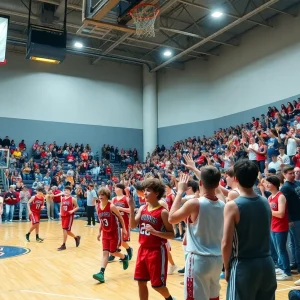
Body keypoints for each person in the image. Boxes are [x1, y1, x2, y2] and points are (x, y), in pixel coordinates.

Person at [222, 159, 276, 300]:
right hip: (267, 264)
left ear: (235, 178)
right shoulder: (265, 201)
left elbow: (226, 243)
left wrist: (227, 268)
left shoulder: (233, 206)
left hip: (244, 265)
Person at [169, 166, 225, 300]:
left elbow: (171, 219)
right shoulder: (224, 204)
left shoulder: (195, 204)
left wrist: (179, 192)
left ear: (200, 183)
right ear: (218, 184)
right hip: (217, 260)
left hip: (199, 259)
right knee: (214, 297)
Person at [128, 178, 175, 300]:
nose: (145, 193)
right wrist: (132, 208)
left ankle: (169, 298)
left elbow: (172, 234)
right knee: (141, 282)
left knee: (157, 286)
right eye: (144, 190)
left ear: (156, 193)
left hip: (157, 251)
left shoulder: (163, 212)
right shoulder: (143, 208)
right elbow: (132, 225)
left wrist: (155, 232)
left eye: (148, 190)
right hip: (142, 249)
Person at [93, 187, 129, 283]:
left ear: (107, 196)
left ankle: (124, 257)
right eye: (99, 195)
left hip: (114, 232)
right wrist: (99, 232)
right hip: (105, 233)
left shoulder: (112, 206)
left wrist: (124, 229)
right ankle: (101, 273)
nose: (100, 197)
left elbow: (121, 218)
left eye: (102, 195)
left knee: (113, 252)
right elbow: (101, 221)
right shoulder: (98, 207)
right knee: (105, 253)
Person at [266, 175, 291, 280]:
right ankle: (281, 268)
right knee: (276, 250)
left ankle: (287, 272)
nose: (266, 185)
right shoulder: (270, 197)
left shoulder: (280, 196)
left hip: (281, 227)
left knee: (281, 250)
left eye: (268, 183)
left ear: (274, 184)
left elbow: (281, 213)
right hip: (273, 226)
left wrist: (269, 211)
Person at [280, 165, 300, 285]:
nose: (293, 175)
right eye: (290, 173)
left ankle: (296, 263)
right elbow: (285, 206)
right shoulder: (285, 188)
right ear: (284, 175)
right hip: (294, 219)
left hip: (298, 217)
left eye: (293, 173)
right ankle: (298, 266)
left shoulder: (296, 184)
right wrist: (289, 219)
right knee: (296, 244)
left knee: (294, 243)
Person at [109, 183, 133, 262]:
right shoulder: (113, 199)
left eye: (116, 187)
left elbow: (131, 210)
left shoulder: (126, 198)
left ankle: (129, 249)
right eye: (115, 188)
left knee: (122, 241)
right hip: (115, 221)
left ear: (121, 189)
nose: (115, 189)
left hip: (124, 221)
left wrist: (120, 208)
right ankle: (113, 254)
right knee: (114, 239)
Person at [57, 186, 81, 251]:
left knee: (65, 230)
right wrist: (60, 213)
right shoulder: (62, 198)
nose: (66, 191)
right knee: (67, 231)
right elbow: (61, 206)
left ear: (70, 192)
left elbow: (77, 207)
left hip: (69, 216)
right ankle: (76, 237)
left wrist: (72, 211)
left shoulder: (72, 199)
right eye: (65, 190)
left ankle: (63, 245)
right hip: (63, 216)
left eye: (68, 190)